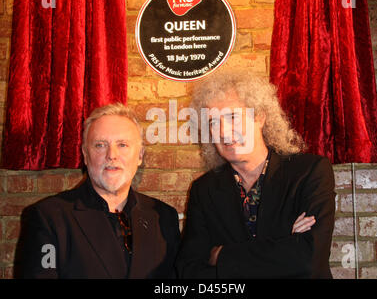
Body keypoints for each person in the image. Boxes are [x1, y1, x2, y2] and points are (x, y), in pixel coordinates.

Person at [176, 70, 336, 278]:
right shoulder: (204, 189)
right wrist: (284, 246)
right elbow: (189, 271)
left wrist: (221, 255)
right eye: (213, 122)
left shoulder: (309, 172)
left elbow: (309, 259)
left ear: (259, 116)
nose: (223, 131)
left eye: (232, 117)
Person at [17, 103, 180, 278]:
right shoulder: (47, 217)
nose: (112, 155)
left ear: (140, 156)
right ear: (85, 155)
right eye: (100, 145)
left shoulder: (164, 217)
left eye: (123, 144)